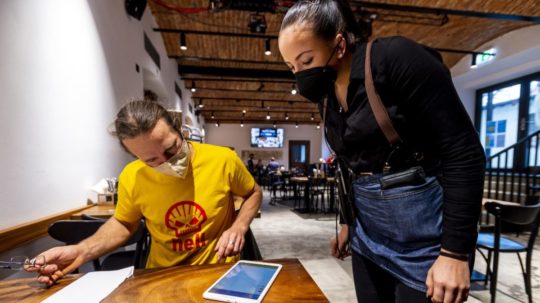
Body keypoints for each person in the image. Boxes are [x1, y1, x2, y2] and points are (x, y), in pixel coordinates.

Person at [278, 1, 485, 303]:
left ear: (338, 45)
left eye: (306, 60)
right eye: (292, 67)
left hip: (425, 242)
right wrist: (349, 223)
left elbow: (463, 152)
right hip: (367, 236)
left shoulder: (395, 59)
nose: (300, 74)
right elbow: (351, 167)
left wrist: (455, 252)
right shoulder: (327, 97)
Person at [27, 100, 262, 286]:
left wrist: (238, 227)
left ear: (179, 129)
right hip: (161, 275)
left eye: (171, 149)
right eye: (152, 160)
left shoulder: (222, 159)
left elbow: (253, 193)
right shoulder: (133, 175)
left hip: (219, 271)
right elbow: (123, 224)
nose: (167, 162)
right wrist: (80, 251)